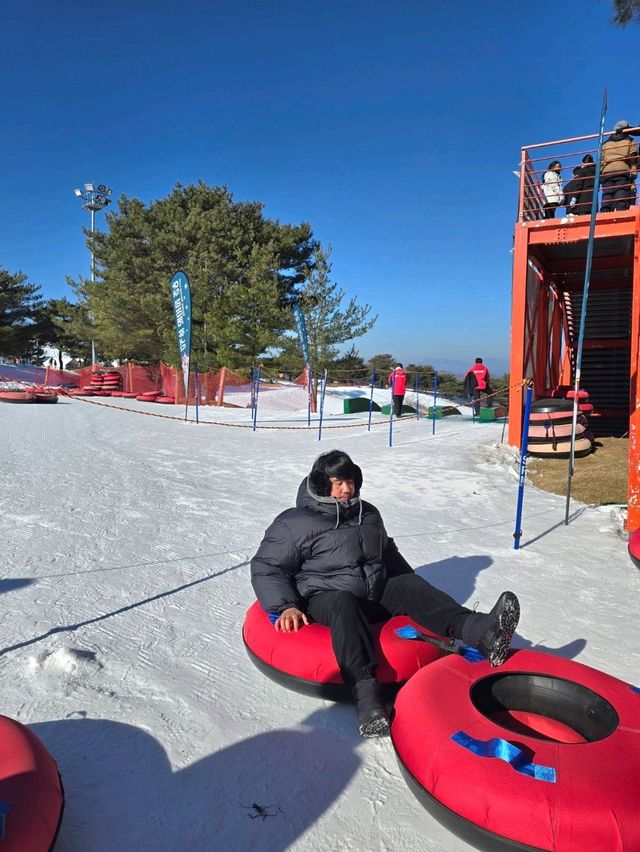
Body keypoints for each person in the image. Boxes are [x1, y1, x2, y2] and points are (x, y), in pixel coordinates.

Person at [251, 450, 520, 737]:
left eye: (351, 481)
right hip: (324, 597)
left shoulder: (367, 513)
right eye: (338, 482)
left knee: (410, 587)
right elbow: (268, 566)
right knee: (343, 603)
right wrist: (286, 606)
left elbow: (387, 553)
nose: (347, 489)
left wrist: (414, 590)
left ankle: (482, 632)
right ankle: (367, 699)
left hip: (372, 591)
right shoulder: (294, 523)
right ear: (321, 483)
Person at [600, 120, 638, 212]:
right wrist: (633, 171)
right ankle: (621, 212)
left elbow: (601, 159)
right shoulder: (630, 140)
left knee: (607, 194)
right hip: (622, 170)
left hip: (607, 171)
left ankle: (605, 212)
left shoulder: (605, 143)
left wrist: (601, 172)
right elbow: (633, 157)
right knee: (621, 192)